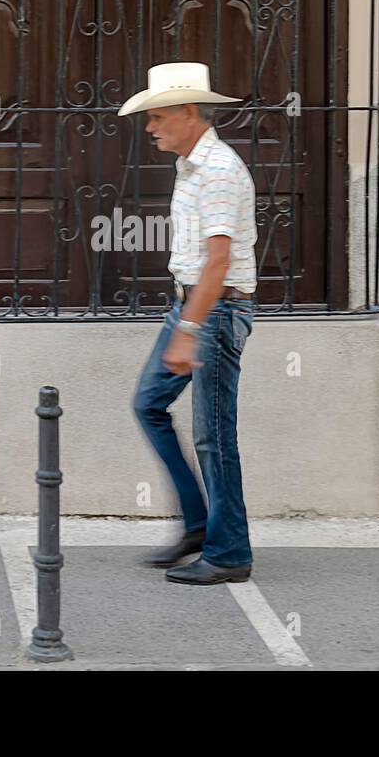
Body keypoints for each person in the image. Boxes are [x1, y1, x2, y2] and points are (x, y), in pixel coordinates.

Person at [120, 62, 258, 585]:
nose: (151, 128)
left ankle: (229, 553)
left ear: (188, 112)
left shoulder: (219, 172)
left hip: (216, 312)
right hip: (196, 306)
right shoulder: (193, 167)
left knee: (214, 437)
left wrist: (190, 329)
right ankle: (200, 525)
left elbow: (219, 262)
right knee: (148, 404)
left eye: (157, 117)